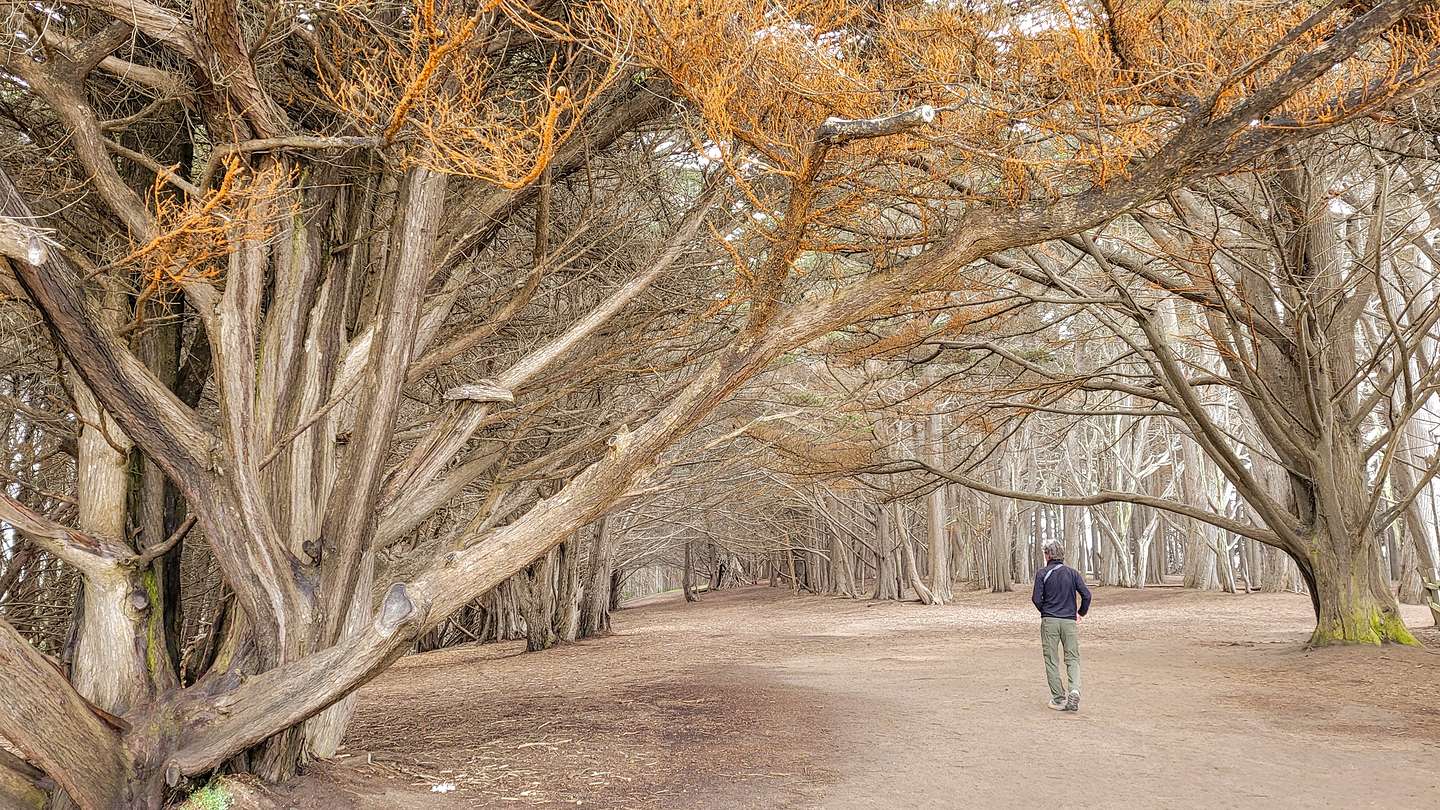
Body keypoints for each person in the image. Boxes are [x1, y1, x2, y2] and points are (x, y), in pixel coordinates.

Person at [1032, 539, 1091, 712]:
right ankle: (1074, 690)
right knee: (1072, 658)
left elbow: (1036, 598)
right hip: (1069, 622)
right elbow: (1086, 595)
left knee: (1051, 659)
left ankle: (1058, 698)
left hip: (1050, 621)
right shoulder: (1073, 573)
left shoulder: (1042, 573)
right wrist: (1080, 613)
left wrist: (1046, 611)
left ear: (1048, 554)